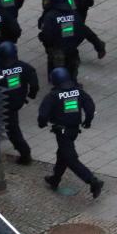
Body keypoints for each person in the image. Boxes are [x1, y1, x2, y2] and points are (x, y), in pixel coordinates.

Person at [37, 68, 103, 198]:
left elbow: (43, 114)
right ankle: (55, 179)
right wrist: (88, 121)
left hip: (62, 132)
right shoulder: (78, 92)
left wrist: (42, 123)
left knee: (71, 159)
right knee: (62, 154)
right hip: (74, 130)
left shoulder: (53, 96)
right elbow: (90, 107)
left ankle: (93, 181)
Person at [41, 0, 107, 60]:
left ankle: (64, 53)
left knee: (51, 33)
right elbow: (79, 0)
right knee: (79, 28)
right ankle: (97, 44)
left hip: (57, 14)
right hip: (73, 12)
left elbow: (45, 6)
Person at [0, 41, 39, 166]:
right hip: (17, 102)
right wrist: (31, 95)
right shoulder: (24, 67)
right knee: (12, 128)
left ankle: (25, 153)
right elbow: (34, 83)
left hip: (2, 103)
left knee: (12, 131)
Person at [38, 0, 87, 83]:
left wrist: (48, 45)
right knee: (72, 71)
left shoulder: (50, 16)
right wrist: (73, 44)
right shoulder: (74, 14)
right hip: (72, 50)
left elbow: (47, 35)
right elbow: (82, 32)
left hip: (57, 51)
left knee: (56, 73)